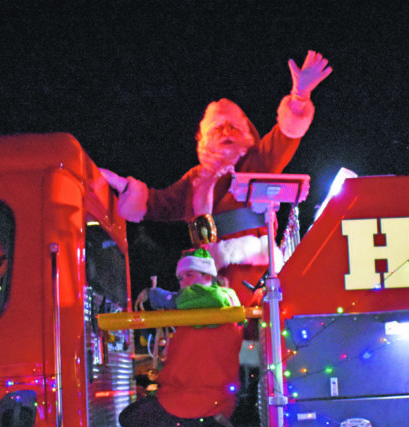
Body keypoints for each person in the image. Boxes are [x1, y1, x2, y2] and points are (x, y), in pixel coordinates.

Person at [101, 50, 331, 303]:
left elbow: (284, 137)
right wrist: (124, 186)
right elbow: (158, 203)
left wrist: (299, 96)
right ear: (206, 139)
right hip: (204, 274)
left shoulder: (257, 164)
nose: (226, 134)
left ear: (245, 134)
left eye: (232, 128)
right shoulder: (196, 179)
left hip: (249, 271)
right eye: (218, 129)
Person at [119, 247, 244, 427]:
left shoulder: (216, 298)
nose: (184, 282)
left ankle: (195, 426)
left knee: (130, 418)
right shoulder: (205, 309)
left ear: (207, 276)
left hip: (193, 400)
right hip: (208, 399)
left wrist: (157, 295)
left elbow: (198, 297)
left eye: (189, 275)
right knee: (133, 414)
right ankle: (202, 424)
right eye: (180, 278)